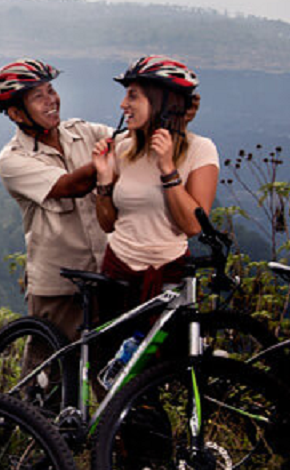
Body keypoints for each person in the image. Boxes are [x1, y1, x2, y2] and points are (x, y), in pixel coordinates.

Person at [0, 59, 111, 342]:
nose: (51, 100)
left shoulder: (84, 132)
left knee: (112, 363)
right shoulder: (12, 160)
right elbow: (72, 185)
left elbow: (130, 142)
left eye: (51, 90)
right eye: (38, 96)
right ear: (16, 113)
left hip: (106, 276)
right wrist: (108, 158)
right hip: (59, 288)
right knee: (52, 365)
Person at [92, 55, 216, 310]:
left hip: (169, 273)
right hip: (117, 269)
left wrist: (168, 169)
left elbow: (193, 225)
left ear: (162, 103)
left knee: (170, 338)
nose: (123, 104)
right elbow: (107, 224)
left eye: (133, 96)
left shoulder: (200, 150)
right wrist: (104, 179)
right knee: (111, 337)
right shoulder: (123, 147)